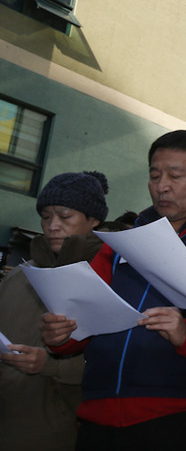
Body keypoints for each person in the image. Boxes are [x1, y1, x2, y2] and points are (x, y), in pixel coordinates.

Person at [42, 131, 186, 451]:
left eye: (175, 175)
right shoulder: (119, 243)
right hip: (97, 416)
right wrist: (61, 335)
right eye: (154, 175)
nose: (162, 186)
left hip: (181, 418)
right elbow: (83, 320)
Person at [0, 171, 108, 451]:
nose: (52, 226)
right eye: (46, 217)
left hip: (61, 433)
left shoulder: (110, 278)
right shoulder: (17, 276)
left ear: (94, 220)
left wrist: (49, 365)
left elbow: (116, 361)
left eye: (64, 216)